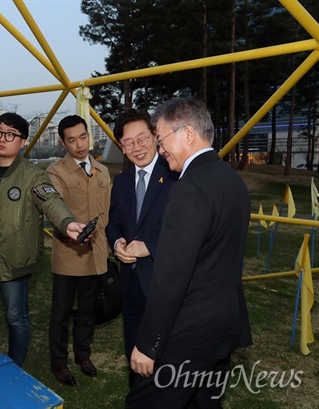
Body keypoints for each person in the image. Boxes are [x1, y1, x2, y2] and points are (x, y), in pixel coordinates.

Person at [126, 97, 252, 408]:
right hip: (223, 325)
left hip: (187, 334)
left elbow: (171, 276)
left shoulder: (190, 187)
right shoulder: (232, 180)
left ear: (188, 133)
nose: (159, 149)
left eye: (161, 138)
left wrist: (147, 345)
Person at [0, 112, 86, 368]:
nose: (2, 139)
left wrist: (67, 222)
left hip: (14, 260)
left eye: (11, 135)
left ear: (22, 142)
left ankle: (15, 366)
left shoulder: (33, 174)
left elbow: (51, 200)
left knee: (16, 318)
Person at [104, 108, 178, 383]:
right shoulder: (121, 181)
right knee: (134, 350)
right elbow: (113, 223)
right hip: (130, 282)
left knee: (167, 354)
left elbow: (187, 230)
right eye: (128, 142)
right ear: (121, 148)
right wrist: (117, 243)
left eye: (142, 138)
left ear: (155, 136)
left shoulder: (174, 174)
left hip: (164, 282)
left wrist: (150, 246)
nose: (137, 147)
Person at [45, 115, 111, 386]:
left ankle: (83, 355)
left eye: (83, 137)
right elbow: (53, 208)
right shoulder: (55, 172)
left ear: (88, 136)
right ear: (63, 143)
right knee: (60, 312)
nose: (79, 144)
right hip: (68, 252)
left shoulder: (102, 171)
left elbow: (106, 213)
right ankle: (58, 361)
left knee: (87, 310)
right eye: (71, 140)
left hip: (95, 253)